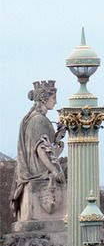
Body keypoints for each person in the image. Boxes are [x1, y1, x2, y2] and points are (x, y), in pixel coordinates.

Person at [10, 80, 65, 222]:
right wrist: (54, 170)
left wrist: (58, 136)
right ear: (43, 98)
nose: (56, 102)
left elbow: (45, 146)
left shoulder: (31, 119)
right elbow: (41, 149)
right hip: (39, 171)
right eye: (53, 98)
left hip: (35, 169)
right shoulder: (39, 120)